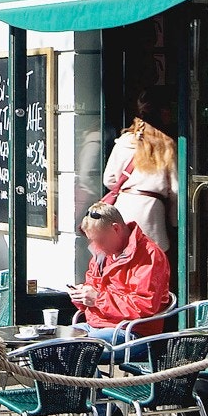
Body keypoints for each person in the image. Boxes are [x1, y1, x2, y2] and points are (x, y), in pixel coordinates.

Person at [67, 203, 171, 352]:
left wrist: (97, 299)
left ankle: (86, 375)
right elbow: (92, 290)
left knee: (80, 350)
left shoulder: (149, 255)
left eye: (100, 240)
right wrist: (81, 296)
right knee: (50, 346)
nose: (96, 246)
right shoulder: (101, 253)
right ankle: (85, 375)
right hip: (96, 325)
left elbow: (144, 306)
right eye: (92, 240)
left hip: (133, 332)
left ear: (116, 228)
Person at [101, 117, 176, 254]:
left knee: (123, 256)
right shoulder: (166, 144)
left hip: (124, 206)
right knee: (151, 256)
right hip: (152, 209)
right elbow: (175, 189)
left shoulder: (123, 142)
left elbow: (109, 180)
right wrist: (174, 219)